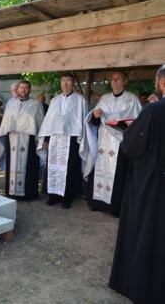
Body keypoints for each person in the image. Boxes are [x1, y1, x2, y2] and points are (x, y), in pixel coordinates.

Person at [109, 64, 165, 303]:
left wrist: (131, 129)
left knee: (147, 234)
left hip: (152, 184)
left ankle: (144, 286)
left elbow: (131, 147)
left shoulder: (153, 111)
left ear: (162, 84)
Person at [85, 71, 142, 216]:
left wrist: (121, 123)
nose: (114, 81)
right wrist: (96, 116)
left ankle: (115, 207)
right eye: (112, 79)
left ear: (125, 81)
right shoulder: (104, 98)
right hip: (103, 142)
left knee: (118, 174)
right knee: (99, 169)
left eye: (117, 79)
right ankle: (96, 202)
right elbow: (93, 121)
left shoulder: (132, 99)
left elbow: (138, 123)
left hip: (120, 143)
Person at [38, 74, 89, 209]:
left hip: (71, 139)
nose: (65, 84)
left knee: (69, 169)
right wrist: (47, 138)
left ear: (72, 83)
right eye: (63, 81)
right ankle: (53, 196)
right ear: (60, 83)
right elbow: (49, 121)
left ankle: (67, 197)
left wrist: (81, 139)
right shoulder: (55, 100)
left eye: (68, 81)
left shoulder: (80, 100)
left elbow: (83, 122)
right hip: (55, 139)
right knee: (53, 166)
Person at [0, 80, 45, 198]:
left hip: (29, 141)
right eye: (21, 88)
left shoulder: (36, 105)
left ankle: (29, 193)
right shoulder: (11, 104)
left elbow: (41, 123)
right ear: (18, 89)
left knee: (29, 166)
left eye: (26, 88)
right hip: (12, 139)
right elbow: (6, 121)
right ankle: (12, 192)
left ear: (29, 90)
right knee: (12, 165)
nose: (23, 90)